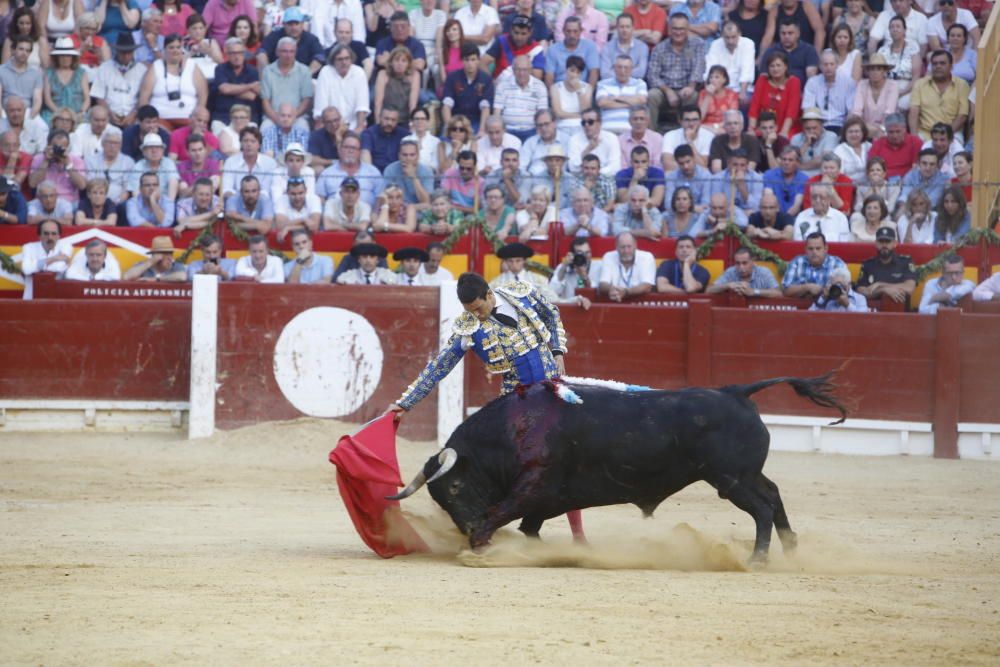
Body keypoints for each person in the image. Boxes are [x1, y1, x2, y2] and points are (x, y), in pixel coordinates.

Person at [646, 14, 705, 132]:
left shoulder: (697, 44)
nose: (678, 32)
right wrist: (667, 91)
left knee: (693, 96)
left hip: (686, 88)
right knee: (652, 95)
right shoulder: (660, 48)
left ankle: (688, 132)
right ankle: (652, 133)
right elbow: (652, 75)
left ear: (688, 29)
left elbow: (699, 67)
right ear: (669, 29)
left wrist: (691, 86)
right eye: (675, 28)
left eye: (682, 29)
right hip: (664, 90)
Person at [137, 34, 208, 131]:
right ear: (164, 49)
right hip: (161, 120)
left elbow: (203, 93)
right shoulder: (156, 66)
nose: (175, 50)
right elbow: (144, 96)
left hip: (188, 119)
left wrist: (199, 116)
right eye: (171, 47)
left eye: (178, 47)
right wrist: (146, 118)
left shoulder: (192, 65)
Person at [908, 50, 970, 142]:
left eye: (942, 63)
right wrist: (914, 137)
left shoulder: (962, 85)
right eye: (935, 64)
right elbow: (913, 112)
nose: (938, 66)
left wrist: (945, 135)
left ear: (951, 66)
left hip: (952, 133)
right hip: (925, 133)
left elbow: (962, 116)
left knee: (958, 156)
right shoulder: (920, 84)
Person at [855, 226, 916, 306]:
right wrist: (882, 290)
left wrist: (879, 284)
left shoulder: (905, 262)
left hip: (901, 311)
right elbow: (861, 292)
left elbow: (909, 288)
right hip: (873, 312)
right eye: (881, 241)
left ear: (895, 243)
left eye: (887, 241)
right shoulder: (868, 264)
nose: (884, 245)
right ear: (876, 243)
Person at [495, 55, 550, 142]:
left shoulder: (540, 86)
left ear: (531, 70)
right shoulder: (502, 85)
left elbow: (542, 114)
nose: (521, 73)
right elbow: (497, 113)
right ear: (513, 70)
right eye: (518, 69)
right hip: (507, 131)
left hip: (531, 131)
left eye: (525, 70)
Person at [748, 51, 802, 139]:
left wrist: (783, 133)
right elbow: (754, 107)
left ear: (785, 67)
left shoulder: (794, 82)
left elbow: (792, 111)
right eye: (772, 66)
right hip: (764, 128)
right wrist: (751, 129)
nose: (775, 69)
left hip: (787, 128)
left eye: (778, 65)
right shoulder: (762, 80)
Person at [28, 130, 87, 208]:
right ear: (48, 145)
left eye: (62, 147)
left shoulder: (76, 160)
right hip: (44, 201)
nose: (58, 150)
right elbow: (32, 184)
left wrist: (68, 164)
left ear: (68, 147)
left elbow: (82, 186)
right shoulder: (39, 158)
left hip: (69, 202)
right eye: (55, 147)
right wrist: (45, 161)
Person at [442, 43, 493, 133]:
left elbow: (486, 108)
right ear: (462, 61)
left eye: (473, 60)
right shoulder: (452, 77)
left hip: (476, 121)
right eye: (467, 60)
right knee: (445, 141)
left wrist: (481, 130)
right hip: (455, 120)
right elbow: (446, 105)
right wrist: (450, 128)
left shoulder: (486, 79)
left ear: (478, 60)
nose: (470, 64)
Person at [704, 21, 755, 108]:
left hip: (741, 88)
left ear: (739, 34)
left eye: (733, 37)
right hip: (719, 88)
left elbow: (747, 70)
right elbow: (710, 70)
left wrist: (742, 92)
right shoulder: (715, 45)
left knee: (746, 100)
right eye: (727, 37)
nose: (730, 41)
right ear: (722, 35)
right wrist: (713, 90)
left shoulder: (748, 44)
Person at [782, 231, 847, 298]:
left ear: (825, 249)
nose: (814, 252)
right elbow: (785, 290)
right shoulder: (797, 262)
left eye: (818, 248)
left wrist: (822, 291)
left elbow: (846, 289)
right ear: (805, 249)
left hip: (829, 307)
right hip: (800, 307)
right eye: (810, 249)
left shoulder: (836, 263)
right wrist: (806, 287)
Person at [211, 37, 260, 128]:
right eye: (233, 53)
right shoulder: (220, 69)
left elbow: (251, 96)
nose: (237, 56)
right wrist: (250, 86)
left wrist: (229, 91)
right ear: (227, 55)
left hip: (247, 117)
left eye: (240, 53)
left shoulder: (253, 71)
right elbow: (224, 89)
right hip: (223, 116)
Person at [489, 242, 559, 303]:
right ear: (506, 262)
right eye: (510, 261)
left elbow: (553, 299)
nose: (514, 264)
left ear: (524, 261)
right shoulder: (496, 283)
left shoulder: (539, 280)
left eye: (518, 260)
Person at [877, 15, 921, 111]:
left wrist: (902, 92)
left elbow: (916, 76)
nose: (895, 29)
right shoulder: (883, 50)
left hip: (907, 87)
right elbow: (877, 74)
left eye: (898, 26)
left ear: (905, 30)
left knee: (903, 104)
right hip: (886, 87)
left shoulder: (913, 48)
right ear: (889, 31)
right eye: (892, 27)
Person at [20, 218, 73, 298]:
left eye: (54, 234)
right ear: (39, 236)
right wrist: (54, 259)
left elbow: (59, 267)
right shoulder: (29, 247)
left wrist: (36, 266)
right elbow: (26, 269)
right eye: (46, 233)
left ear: (59, 236)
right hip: (31, 297)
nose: (50, 237)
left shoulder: (66, 246)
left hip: (56, 298)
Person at [222, 127, 279, 200]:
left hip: (261, 202)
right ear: (241, 143)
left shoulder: (270, 163)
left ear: (259, 145)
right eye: (245, 141)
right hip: (236, 201)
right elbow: (227, 189)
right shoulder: (230, 161)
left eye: (253, 141)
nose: (249, 144)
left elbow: (266, 191)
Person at [42, 37, 90, 125]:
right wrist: (61, 114)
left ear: (73, 57)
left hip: (78, 114)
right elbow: (47, 99)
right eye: (62, 55)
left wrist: (81, 112)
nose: (65, 58)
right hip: (55, 114)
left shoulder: (81, 73)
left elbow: (87, 98)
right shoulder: (49, 73)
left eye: (68, 55)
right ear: (56, 57)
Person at [598, 231, 656, 302]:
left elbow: (647, 286)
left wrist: (626, 292)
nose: (626, 251)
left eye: (629, 246)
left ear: (635, 245)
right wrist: (612, 289)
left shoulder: (647, 257)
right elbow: (602, 284)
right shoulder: (608, 256)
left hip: (639, 303)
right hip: (615, 302)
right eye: (622, 247)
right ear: (616, 247)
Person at [852, 54, 899, 140]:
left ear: (884, 71)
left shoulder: (893, 85)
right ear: (868, 71)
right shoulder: (862, 84)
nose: (875, 72)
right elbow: (857, 111)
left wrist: (880, 129)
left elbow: (889, 113)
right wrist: (869, 129)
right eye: (872, 69)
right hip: (865, 128)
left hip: (887, 129)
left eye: (878, 69)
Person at [85, 126, 135, 207]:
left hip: (119, 203)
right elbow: (90, 185)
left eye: (116, 143)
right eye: (109, 142)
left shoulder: (128, 162)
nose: (112, 146)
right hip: (94, 201)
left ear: (120, 145)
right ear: (102, 143)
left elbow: (127, 190)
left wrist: (115, 203)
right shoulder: (91, 160)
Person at [706, 246, 782, 298]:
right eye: (737, 263)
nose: (741, 267)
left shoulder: (764, 272)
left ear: (752, 261)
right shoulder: (731, 272)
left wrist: (754, 292)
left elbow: (778, 293)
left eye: (745, 263)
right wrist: (728, 285)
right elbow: (708, 290)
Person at [373, 45, 420, 126]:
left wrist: (412, 124)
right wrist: (377, 123)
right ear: (391, 62)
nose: (400, 64)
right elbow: (378, 102)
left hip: (404, 120)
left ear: (408, 64)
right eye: (396, 60)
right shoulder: (383, 74)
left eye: (403, 61)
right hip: (386, 119)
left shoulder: (415, 75)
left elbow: (413, 103)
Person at [549, 236, 601, 307]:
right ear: (572, 254)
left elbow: (597, 295)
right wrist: (564, 267)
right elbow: (553, 291)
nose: (584, 256)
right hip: (568, 309)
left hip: (592, 310)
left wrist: (584, 277)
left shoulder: (598, 266)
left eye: (587, 252)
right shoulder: (564, 267)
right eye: (580, 253)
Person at [567, 109, 620, 177]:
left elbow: (615, 168)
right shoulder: (574, 139)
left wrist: (594, 173)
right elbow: (573, 169)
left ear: (599, 123)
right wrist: (588, 150)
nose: (586, 125)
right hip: (582, 180)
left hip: (605, 179)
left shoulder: (611, 138)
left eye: (590, 122)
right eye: (583, 122)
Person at [127, 132, 179, 201]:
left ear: (162, 150)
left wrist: (169, 204)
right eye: (150, 147)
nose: (154, 151)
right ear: (143, 151)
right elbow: (135, 191)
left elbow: (173, 182)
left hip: (164, 201)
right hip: (144, 203)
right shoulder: (138, 166)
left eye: (157, 147)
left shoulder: (169, 163)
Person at [661, 105, 714, 171]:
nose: (691, 124)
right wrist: (688, 169)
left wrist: (689, 141)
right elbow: (667, 164)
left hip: (699, 179)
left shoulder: (709, 136)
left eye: (695, 120)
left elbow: (703, 166)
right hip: (676, 177)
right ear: (680, 121)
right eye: (687, 120)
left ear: (700, 121)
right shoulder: (670, 135)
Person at [0, 36, 44, 115]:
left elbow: (37, 100)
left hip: (28, 112)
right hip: (5, 112)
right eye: (21, 49)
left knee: (43, 127)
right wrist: (2, 116)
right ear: (13, 50)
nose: (24, 53)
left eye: (27, 50)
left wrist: (30, 117)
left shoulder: (36, 73)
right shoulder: (1, 70)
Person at [663, 144, 712, 213]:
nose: (685, 166)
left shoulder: (706, 175)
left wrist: (683, 207)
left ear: (694, 158)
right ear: (677, 163)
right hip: (677, 215)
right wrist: (692, 208)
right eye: (681, 163)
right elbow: (668, 204)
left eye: (688, 162)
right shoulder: (671, 177)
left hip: (699, 216)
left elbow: (706, 204)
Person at [550, 54, 593, 134]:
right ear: (566, 70)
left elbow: (586, 112)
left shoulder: (587, 88)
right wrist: (579, 115)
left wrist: (578, 90)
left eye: (578, 72)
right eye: (572, 70)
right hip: (561, 127)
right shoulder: (555, 88)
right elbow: (558, 113)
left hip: (581, 128)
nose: (574, 75)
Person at [709, 110, 761, 174]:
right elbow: (716, 170)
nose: (732, 127)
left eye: (736, 123)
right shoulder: (717, 141)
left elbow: (750, 169)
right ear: (724, 126)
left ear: (742, 126)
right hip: (723, 180)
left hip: (746, 180)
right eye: (729, 124)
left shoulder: (752, 141)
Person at [600, 14, 648, 82]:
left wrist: (616, 70)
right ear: (616, 28)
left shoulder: (642, 47)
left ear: (633, 28)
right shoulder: (607, 47)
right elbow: (604, 74)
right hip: (612, 85)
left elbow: (641, 73)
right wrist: (631, 70)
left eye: (627, 27)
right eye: (621, 27)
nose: (624, 30)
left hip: (634, 86)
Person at [763, 146, 808, 215]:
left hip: (793, 217)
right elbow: (769, 199)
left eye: (790, 160)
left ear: (798, 162)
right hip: (773, 216)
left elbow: (796, 206)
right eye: (784, 159)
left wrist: (785, 220)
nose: (786, 163)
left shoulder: (804, 179)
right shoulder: (769, 175)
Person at [274, 177, 322, 241]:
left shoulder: (314, 199)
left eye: (300, 193)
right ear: (287, 192)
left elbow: (314, 226)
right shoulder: (281, 200)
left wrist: (289, 228)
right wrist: (303, 220)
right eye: (293, 194)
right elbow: (280, 225)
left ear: (306, 191)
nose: (297, 197)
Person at [123, 235, 187, 282]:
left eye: (171, 253)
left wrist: (156, 279)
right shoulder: (145, 266)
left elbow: (182, 277)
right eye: (165, 253)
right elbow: (127, 277)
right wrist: (151, 262)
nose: (169, 257)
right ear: (155, 254)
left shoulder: (176, 266)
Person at [177, 133, 221, 198]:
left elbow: (212, 190)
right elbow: (183, 193)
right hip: (187, 202)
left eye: (200, 149)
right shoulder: (181, 167)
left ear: (205, 150)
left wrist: (193, 188)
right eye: (193, 150)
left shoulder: (213, 164)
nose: (197, 153)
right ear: (187, 152)